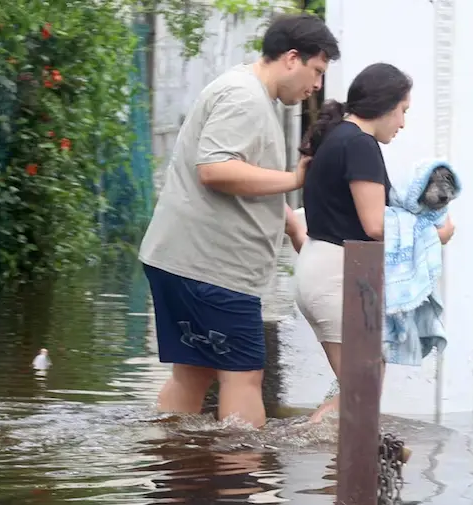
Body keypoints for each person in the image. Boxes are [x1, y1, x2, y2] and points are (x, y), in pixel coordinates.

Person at [138, 13, 339, 428]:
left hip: (181, 259)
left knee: (193, 373)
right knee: (244, 377)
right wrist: (296, 178)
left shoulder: (242, 89)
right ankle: (237, 478)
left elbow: (239, 173)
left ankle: (177, 473)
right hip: (213, 268)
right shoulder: (245, 97)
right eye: (316, 71)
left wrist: (287, 220)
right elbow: (215, 169)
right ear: (291, 58)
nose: (316, 85)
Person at [294, 62, 456, 423]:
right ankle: (294, 447)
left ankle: (326, 459)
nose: (403, 123)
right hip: (335, 275)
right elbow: (375, 225)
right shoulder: (360, 144)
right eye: (403, 111)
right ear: (385, 105)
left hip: (320, 268)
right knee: (362, 389)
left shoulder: (340, 138)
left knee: (359, 384)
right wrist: (434, 235)